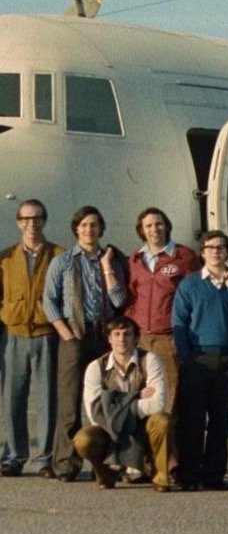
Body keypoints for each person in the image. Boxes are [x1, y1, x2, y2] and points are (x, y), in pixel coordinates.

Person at [42, 205, 129, 482]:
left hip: (105, 335)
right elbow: (49, 300)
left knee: (106, 400)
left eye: (94, 225)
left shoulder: (113, 260)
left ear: (101, 229)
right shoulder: (63, 261)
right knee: (69, 402)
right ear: (76, 230)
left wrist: (107, 269)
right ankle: (66, 464)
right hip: (75, 334)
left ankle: (104, 463)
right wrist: (65, 333)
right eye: (84, 225)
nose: (89, 230)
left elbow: (119, 300)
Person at [172, 229, 228, 491]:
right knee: (193, 421)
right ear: (202, 252)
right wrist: (186, 359)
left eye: (221, 247)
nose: (216, 252)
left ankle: (214, 475)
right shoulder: (190, 284)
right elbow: (179, 323)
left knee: (221, 422)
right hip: (198, 359)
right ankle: (189, 475)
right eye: (211, 247)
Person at [0, 199, 63, 478]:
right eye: (26, 219)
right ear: (18, 223)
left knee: (47, 399)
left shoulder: (59, 256)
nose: (31, 224)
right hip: (13, 335)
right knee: (12, 398)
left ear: (44, 221)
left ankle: (44, 459)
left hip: (46, 334)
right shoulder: (5, 258)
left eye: (37, 218)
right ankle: (14, 456)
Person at [73, 317, 172, 491]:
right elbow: (95, 412)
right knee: (83, 439)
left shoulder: (150, 360)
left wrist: (115, 404)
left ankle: (160, 477)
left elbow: (158, 404)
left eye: (127, 334)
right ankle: (106, 473)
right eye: (117, 334)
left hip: (142, 424)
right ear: (109, 339)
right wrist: (137, 397)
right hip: (108, 427)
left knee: (162, 421)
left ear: (136, 338)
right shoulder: (95, 367)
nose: (122, 339)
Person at [125, 207, 200, 413]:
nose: (154, 229)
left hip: (168, 338)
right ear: (142, 230)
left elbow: (195, 299)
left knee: (168, 395)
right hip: (140, 339)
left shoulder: (184, 257)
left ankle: (169, 434)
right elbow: (131, 297)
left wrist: (183, 334)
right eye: (148, 226)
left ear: (166, 226)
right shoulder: (135, 259)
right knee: (141, 394)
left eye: (158, 224)